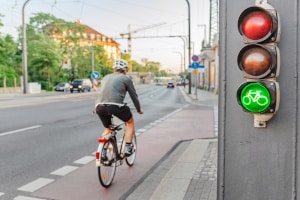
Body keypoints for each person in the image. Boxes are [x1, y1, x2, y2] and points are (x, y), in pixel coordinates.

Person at [95, 59, 143, 159]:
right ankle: (128, 147)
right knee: (130, 122)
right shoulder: (126, 78)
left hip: (99, 106)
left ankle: (103, 152)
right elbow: (134, 96)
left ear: (114, 69)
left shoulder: (105, 77)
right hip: (115, 106)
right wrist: (138, 109)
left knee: (108, 128)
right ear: (125, 70)